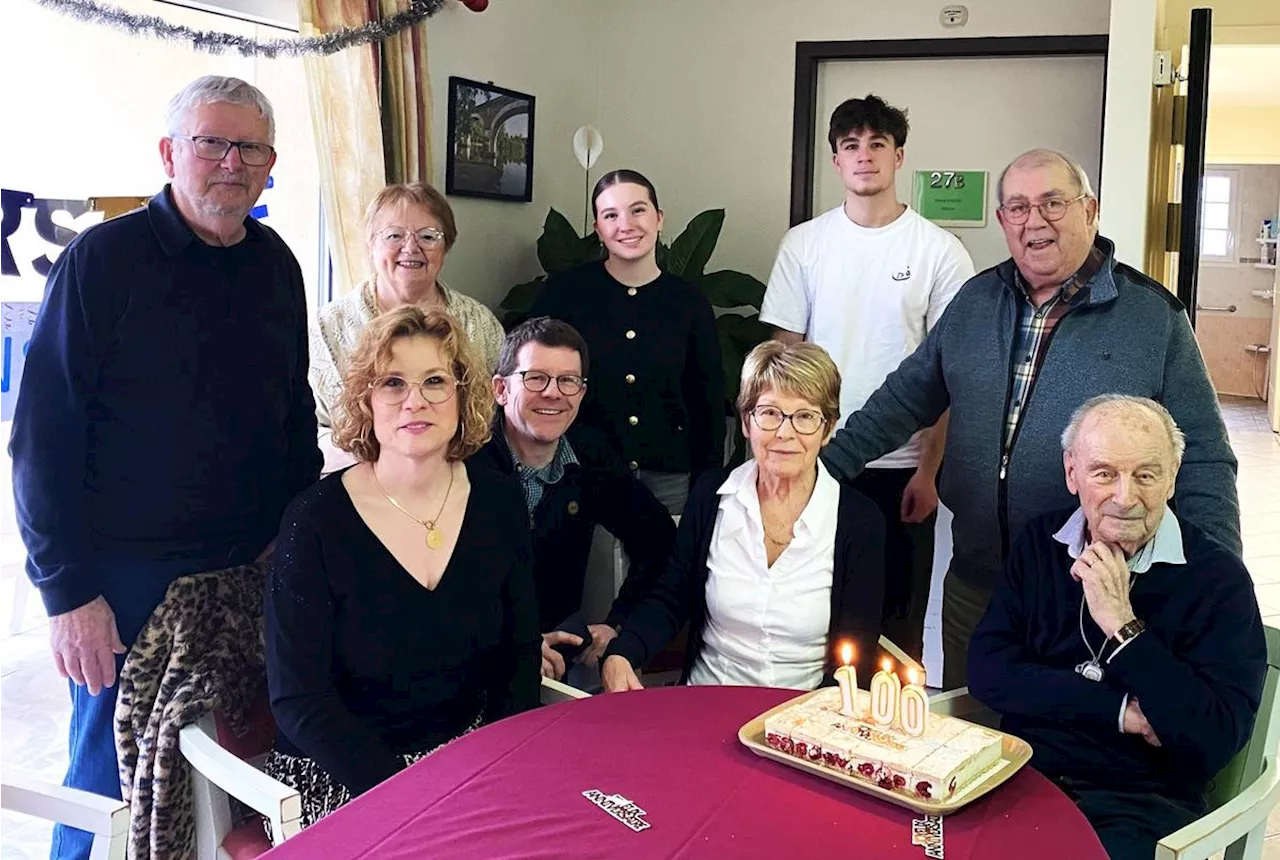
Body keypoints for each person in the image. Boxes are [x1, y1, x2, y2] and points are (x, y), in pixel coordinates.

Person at [9, 75, 321, 860]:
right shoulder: (101, 262)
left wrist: (290, 540)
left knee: (220, 768)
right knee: (105, 781)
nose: (229, 160)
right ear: (169, 153)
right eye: (210, 142)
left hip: (247, 569)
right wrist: (68, 592)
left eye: (248, 146)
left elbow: (292, 419)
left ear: (269, 162)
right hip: (124, 581)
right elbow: (42, 436)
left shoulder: (277, 264)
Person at [820, 148, 1239, 689]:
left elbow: (1203, 456)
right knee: (972, 741)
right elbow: (900, 401)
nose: (1034, 220)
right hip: (977, 583)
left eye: (1053, 203)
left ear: (1090, 210)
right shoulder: (974, 302)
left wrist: (1215, 579)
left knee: (1066, 746)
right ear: (1002, 222)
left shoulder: (1153, 318)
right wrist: (815, 474)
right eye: (1017, 207)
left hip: (1089, 591)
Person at [265, 307, 541, 827]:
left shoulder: (500, 504)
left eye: (435, 381)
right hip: (347, 778)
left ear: (464, 395)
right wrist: (412, 793)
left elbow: (519, 656)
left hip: (470, 763)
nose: (415, 400)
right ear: (366, 401)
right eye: (393, 382)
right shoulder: (315, 522)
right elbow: (300, 699)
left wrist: (491, 766)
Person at [968, 395, 1264, 860]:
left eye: (1145, 474)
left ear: (1172, 480)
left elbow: (1211, 739)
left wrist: (1123, 626)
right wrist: (1122, 712)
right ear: (1072, 473)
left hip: (1142, 805)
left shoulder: (1217, 580)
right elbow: (988, 672)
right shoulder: (1038, 546)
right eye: (1103, 473)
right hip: (1021, 779)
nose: (1125, 497)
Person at [761, 94, 974, 662]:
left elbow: (951, 376)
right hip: (818, 461)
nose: (864, 157)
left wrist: (929, 471)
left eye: (877, 144)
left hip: (902, 470)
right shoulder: (804, 245)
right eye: (850, 146)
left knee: (895, 626)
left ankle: (887, 737)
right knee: (816, 613)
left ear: (899, 156)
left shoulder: (940, 252)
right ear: (835, 159)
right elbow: (783, 362)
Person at [601, 340, 885, 692]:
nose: (785, 432)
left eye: (805, 416)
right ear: (746, 422)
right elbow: (670, 596)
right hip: (706, 700)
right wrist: (623, 652)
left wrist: (813, 727)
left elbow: (858, 647)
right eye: (769, 413)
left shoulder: (860, 521)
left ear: (827, 430)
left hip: (806, 714)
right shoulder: (710, 496)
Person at [474, 316, 678, 682]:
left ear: (581, 393)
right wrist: (514, 647)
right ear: (501, 390)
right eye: (535, 378)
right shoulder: (468, 462)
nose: (553, 393)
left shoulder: (590, 454)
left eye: (568, 380)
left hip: (559, 661)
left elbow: (659, 538)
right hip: (476, 660)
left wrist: (618, 623)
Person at [530, 169, 724, 515]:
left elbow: (706, 400)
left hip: (668, 479)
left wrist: (707, 484)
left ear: (659, 218)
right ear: (598, 230)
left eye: (638, 210)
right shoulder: (565, 294)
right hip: (579, 470)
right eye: (611, 215)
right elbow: (533, 378)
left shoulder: (689, 302)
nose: (626, 224)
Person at [310, 182, 505, 473]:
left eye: (428, 236)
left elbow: (498, 419)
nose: (411, 247)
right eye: (394, 236)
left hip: (457, 481)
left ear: (446, 245)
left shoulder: (480, 324)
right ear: (370, 245)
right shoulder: (326, 328)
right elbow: (304, 431)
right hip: (351, 485)